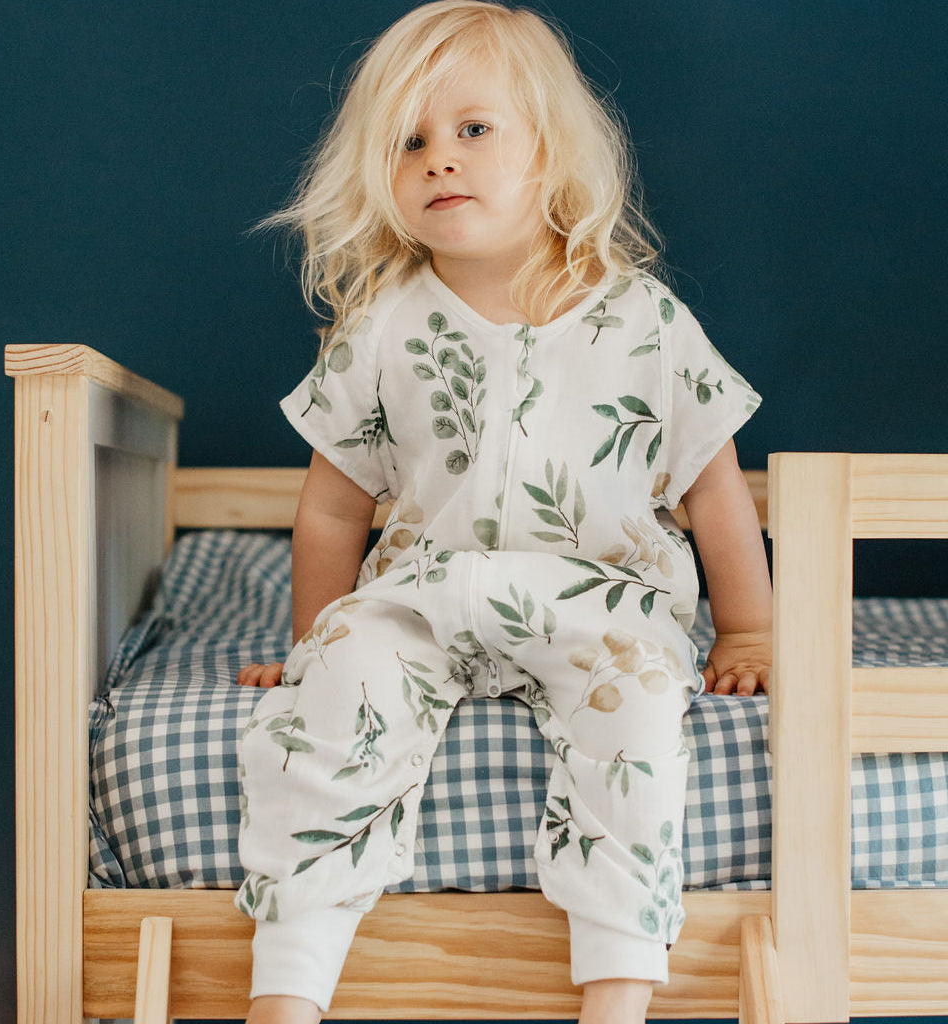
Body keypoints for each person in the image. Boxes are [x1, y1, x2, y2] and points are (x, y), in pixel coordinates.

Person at [235, 2, 772, 1022]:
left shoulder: (642, 317)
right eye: (410, 141)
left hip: (601, 598)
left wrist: (747, 628)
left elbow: (712, 484)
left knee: (640, 709)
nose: (440, 159)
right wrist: (313, 639)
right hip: (425, 595)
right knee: (338, 693)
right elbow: (329, 512)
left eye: (472, 130)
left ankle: (617, 983)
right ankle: (289, 980)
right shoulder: (381, 324)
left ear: (551, 154)